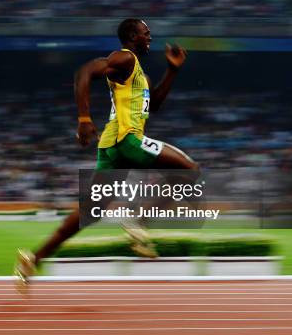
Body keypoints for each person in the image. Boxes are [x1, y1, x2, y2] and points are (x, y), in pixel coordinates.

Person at [14, 18, 200, 290]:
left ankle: (33, 259)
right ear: (131, 36)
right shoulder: (124, 58)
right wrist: (84, 118)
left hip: (113, 146)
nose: (150, 38)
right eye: (146, 34)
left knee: (91, 210)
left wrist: (172, 71)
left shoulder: (140, 75)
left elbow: (155, 104)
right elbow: (84, 72)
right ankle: (139, 220)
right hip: (128, 140)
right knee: (190, 171)